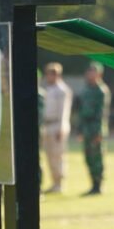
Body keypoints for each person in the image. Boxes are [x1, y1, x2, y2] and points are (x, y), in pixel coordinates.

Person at [77, 62, 111, 196]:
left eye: (93, 71)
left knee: (97, 157)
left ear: (99, 74)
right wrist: (79, 130)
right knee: (88, 158)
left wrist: (99, 132)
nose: (90, 74)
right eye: (89, 71)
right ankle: (92, 184)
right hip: (86, 129)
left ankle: (98, 185)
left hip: (95, 129)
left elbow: (102, 114)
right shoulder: (85, 90)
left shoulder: (101, 91)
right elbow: (80, 112)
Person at [41, 62, 73, 194]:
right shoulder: (47, 88)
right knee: (49, 156)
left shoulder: (62, 90)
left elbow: (64, 111)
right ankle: (54, 182)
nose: (49, 76)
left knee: (57, 156)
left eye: (51, 74)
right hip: (47, 125)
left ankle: (59, 183)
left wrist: (61, 128)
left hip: (57, 126)